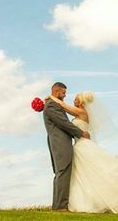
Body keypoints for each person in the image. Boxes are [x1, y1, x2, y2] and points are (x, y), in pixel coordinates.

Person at [43, 82, 91, 211]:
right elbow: (64, 124)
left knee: (62, 173)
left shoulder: (53, 104)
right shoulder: (52, 106)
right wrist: (81, 133)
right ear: (57, 91)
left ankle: (59, 205)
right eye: (63, 93)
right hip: (60, 144)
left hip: (61, 143)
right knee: (63, 172)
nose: (65, 96)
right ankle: (60, 206)